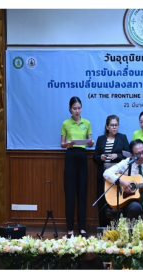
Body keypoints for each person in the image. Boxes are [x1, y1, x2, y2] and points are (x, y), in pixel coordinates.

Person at [60, 96, 94, 237]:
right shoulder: (65, 123)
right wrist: (68, 144)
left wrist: (91, 142)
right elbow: (62, 144)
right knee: (70, 194)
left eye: (79, 108)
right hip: (70, 156)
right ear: (70, 109)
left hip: (82, 156)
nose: (77, 111)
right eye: (74, 108)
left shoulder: (87, 123)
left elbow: (90, 142)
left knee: (82, 193)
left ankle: (82, 227)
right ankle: (69, 229)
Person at [92, 115, 129, 228]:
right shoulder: (100, 139)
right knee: (103, 201)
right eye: (112, 125)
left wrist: (117, 155)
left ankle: (119, 227)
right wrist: (100, 158)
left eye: (116, 125)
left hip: (118, 175)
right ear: (107, 127)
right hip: (103, 174)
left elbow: (128, 155)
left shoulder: (122, 138)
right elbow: (95, 157)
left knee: (117, 200)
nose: (114, 127)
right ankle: (104, 227)